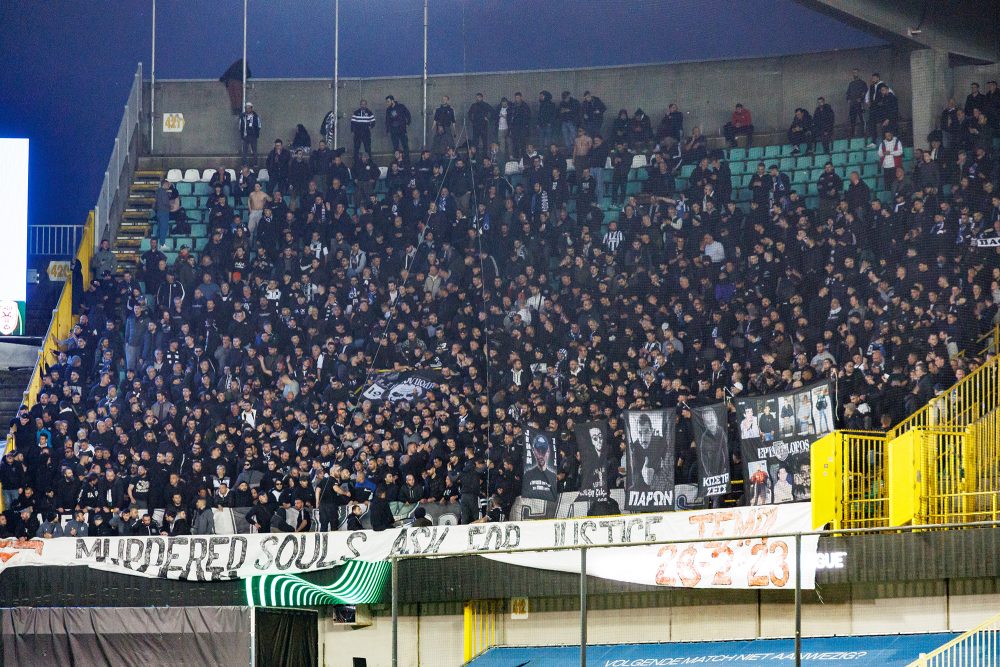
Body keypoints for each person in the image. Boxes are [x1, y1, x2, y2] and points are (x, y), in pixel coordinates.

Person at [627, 413, 670, 494]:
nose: (643, 439)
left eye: (646, 432)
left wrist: (654, 479)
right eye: (640, 433)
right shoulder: (635, 447)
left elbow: (668, 470)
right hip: (640, 486)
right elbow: (635, 475)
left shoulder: (660, 442)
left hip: (658, 484)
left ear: (651, 431)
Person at [523, 433, 558, 498]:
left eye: (543, 450)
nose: (541, 454)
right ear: (533, 451)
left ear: (548, 452)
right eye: (538, 450)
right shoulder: (527, 475)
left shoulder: (553, 477)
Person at [384, 95, 412, 163]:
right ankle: (397, 162)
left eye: (388, 101)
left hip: (402, 130)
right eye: (387, 102)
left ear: (392, 101)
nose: (387, 103)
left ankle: (407, 161)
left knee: (405, 146)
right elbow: (387, 120)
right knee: (396, 147)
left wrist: (408, 122)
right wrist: (388, 129)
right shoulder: (388, 110)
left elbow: (408, 114)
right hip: (393, 131)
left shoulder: (401, 107)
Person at [350, 99, 376, 164]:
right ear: (360, 105)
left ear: (366, 105)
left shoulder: (369, 112)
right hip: (357, 134)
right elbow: (352, 122)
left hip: (366, 133)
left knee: (368, 149)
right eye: (362, 104)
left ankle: (369, 163)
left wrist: (370, 127)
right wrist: (353, 130)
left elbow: (373, 121)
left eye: (364, 104)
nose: (363, 105)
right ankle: (356, 163)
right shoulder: (356, 112)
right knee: (356, 149)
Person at [846, 69, 867, 138]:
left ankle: (864, 133)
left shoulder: (862, 83)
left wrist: (861, 98)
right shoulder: (851, 84)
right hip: (852, 105)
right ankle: (852, 134)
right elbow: (848, 93)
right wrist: (848, 99)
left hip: (860, 104)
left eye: (856, 72)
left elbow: (865, 92)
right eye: (853, 73)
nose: (855, 74)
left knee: (862, 119)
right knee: (852, 120)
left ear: (859, 73)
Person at [239, 102, 262, 166]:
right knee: (245, 151)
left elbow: (259, 125)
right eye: (246, 108)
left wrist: (255, 133)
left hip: (253, 136)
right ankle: (245, 164)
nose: (247, 109)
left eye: (249, 108)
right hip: (245, 136)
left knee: (254, 151)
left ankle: (255, 164)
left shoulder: (255, 116)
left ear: (251, 109)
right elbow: (240, 126)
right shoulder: (243, 116)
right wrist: (242, 134)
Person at [154, 179, 172, 246]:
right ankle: (162, 244)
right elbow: (165, 202)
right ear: (164, 184)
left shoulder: (158, 191)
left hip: (159, 212)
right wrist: (170, 207)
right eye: (167, 184)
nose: (168, 186)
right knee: (163, 228)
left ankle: (156, 244)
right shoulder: (163, 192)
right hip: (164, 212)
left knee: (159, 228)